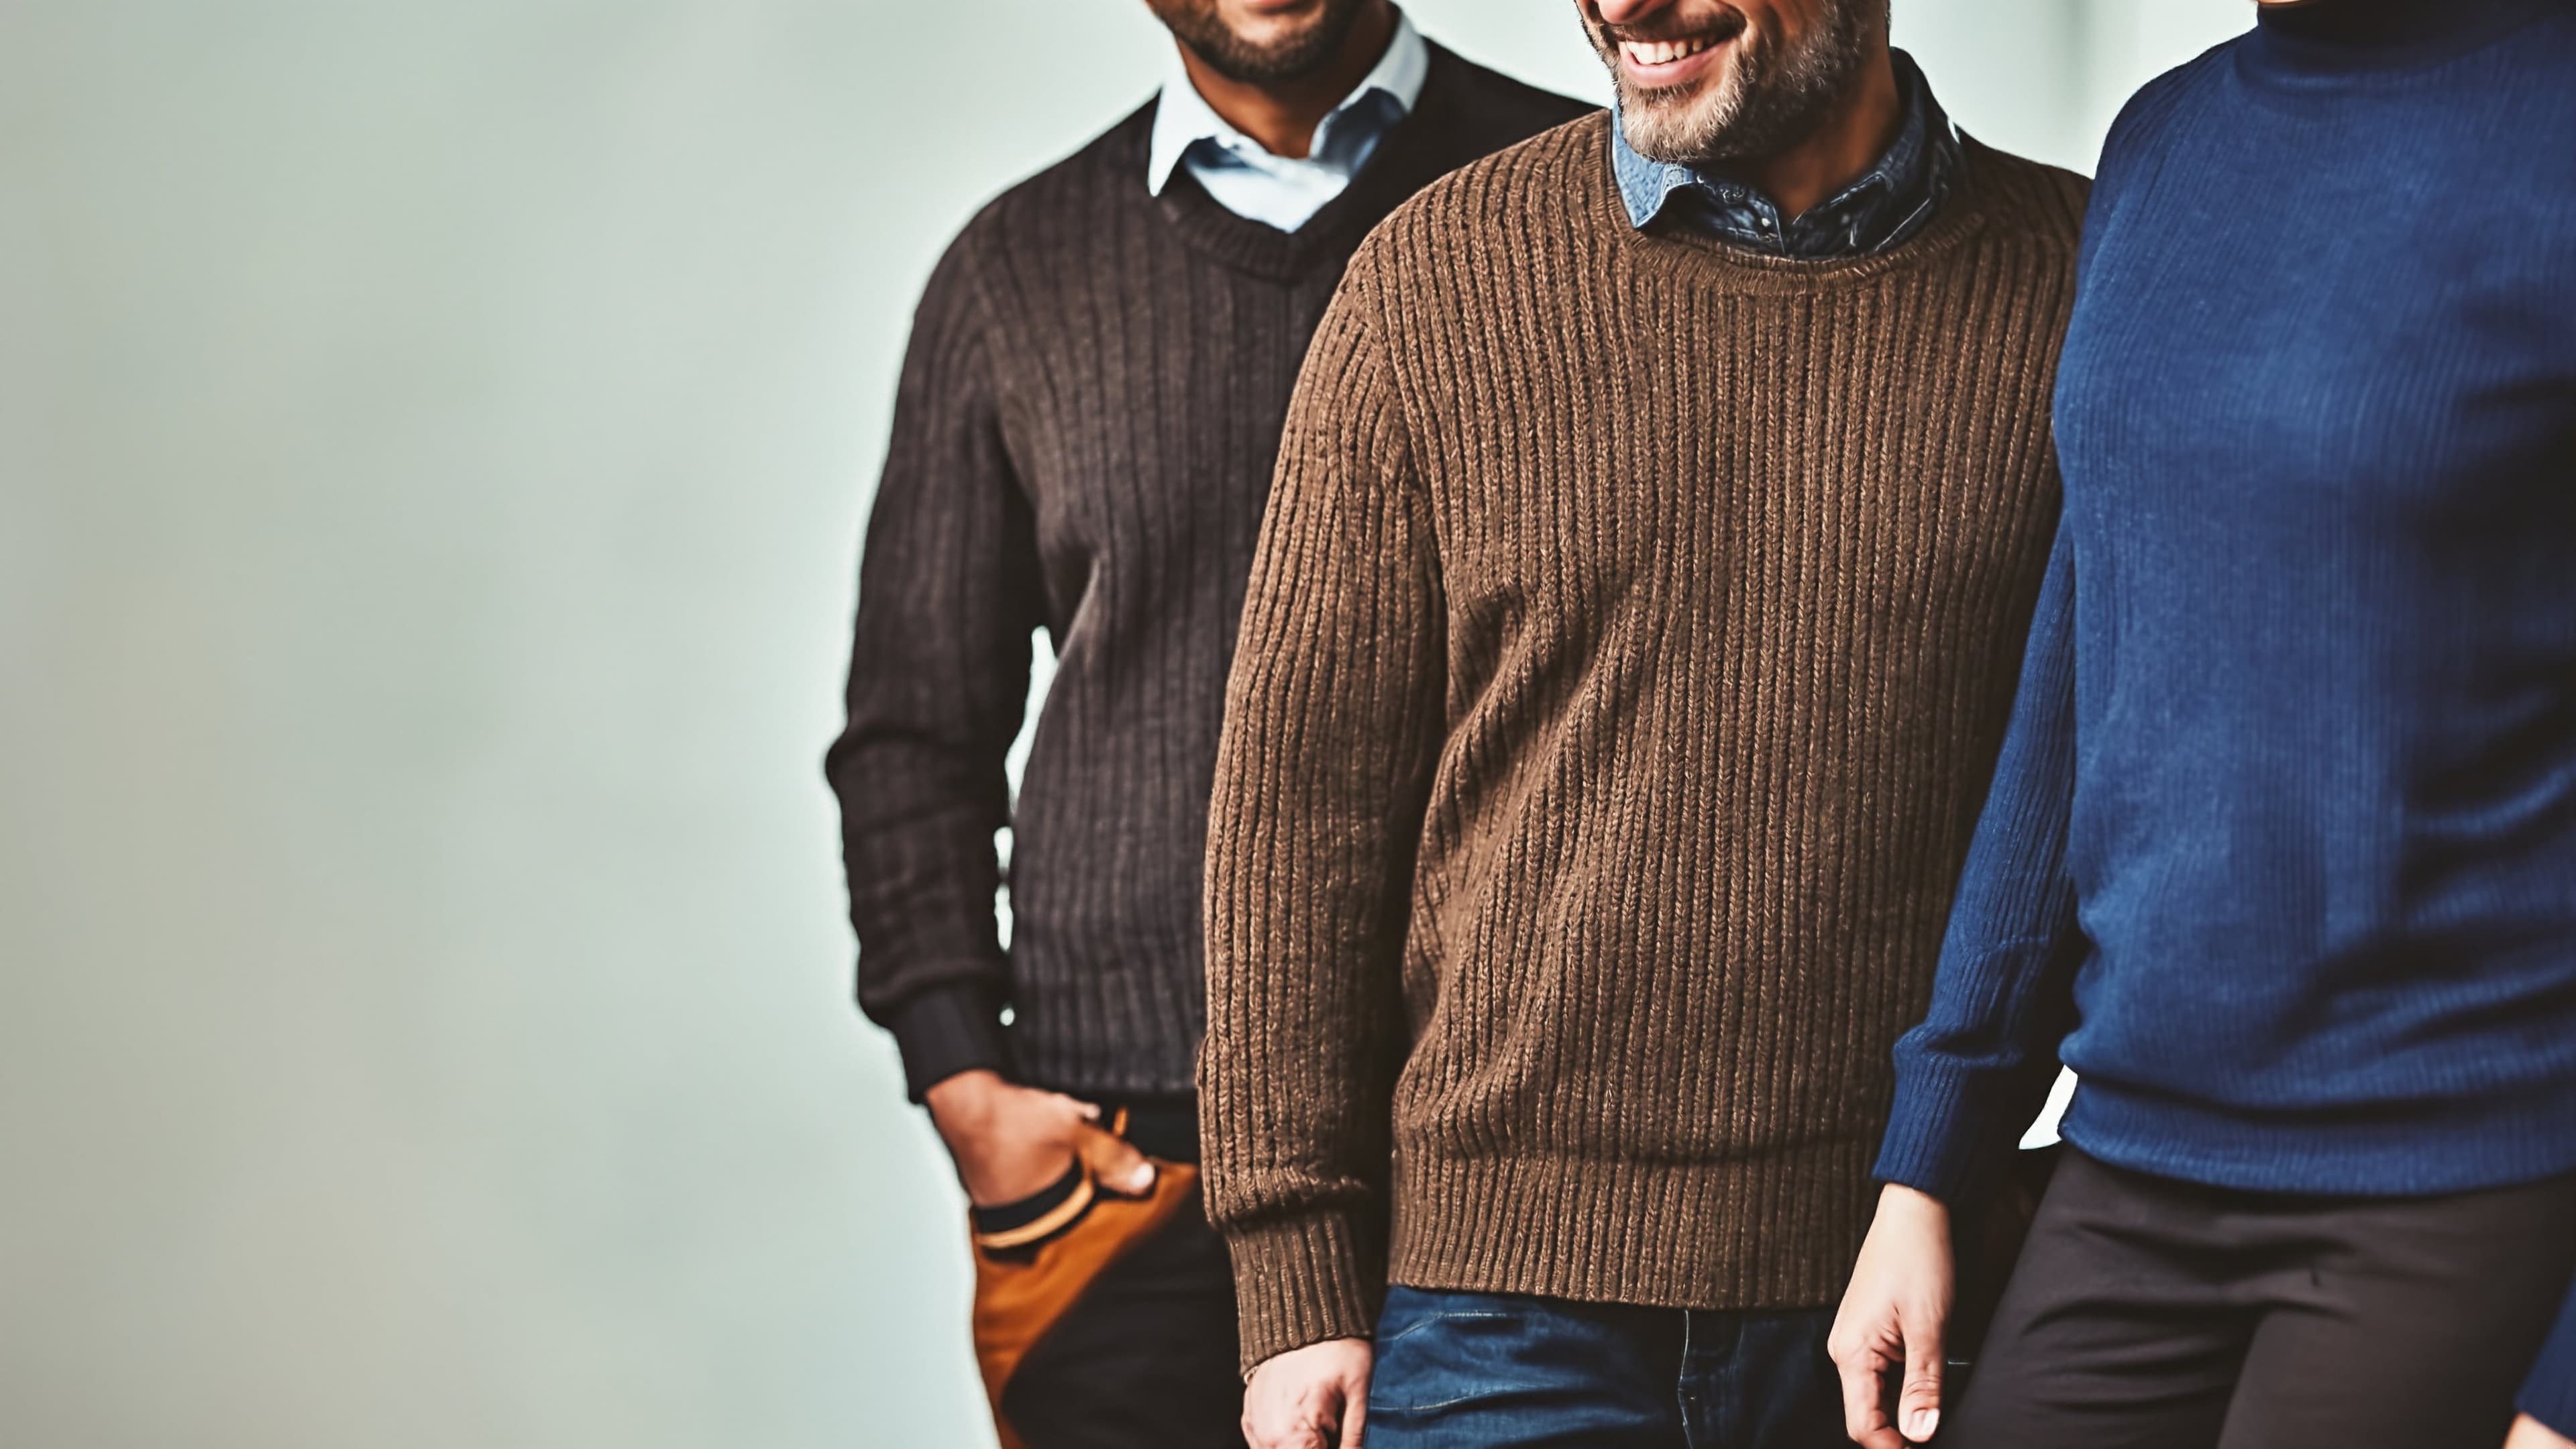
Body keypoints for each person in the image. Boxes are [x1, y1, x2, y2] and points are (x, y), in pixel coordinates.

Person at [1195, 1, 2090, 1444]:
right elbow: (1297, 817)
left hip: (1908, 1304)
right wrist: (1293, 1281)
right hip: (1498, 1321)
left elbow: (2121, 788)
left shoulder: (2081, 282)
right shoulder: (1436, 284)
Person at [827, 0, 1586, 1442]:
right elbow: (914, 728)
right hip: (1125, 1158)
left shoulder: (1576, 193)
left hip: (1503, 1140)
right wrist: (969, 1089)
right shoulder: (1017, 272)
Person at [1829, 1, 2576, 1446]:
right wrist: (1931, 1166)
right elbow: (2077, 687)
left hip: (2468, 1180)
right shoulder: (2167, 141)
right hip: (2134, 1166)